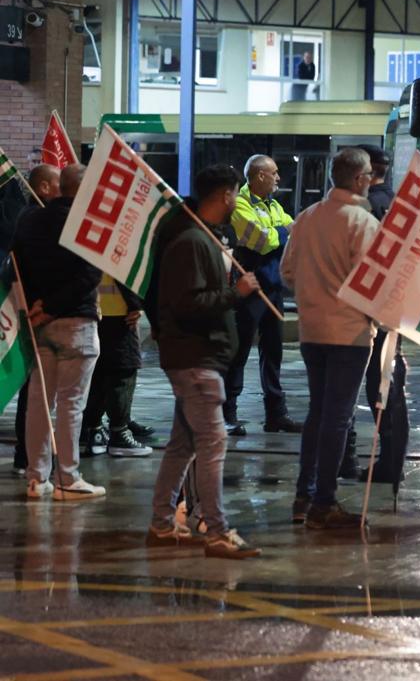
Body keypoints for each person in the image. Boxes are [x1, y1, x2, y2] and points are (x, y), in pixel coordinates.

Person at [146, 164, 262, 558]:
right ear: (226, 195)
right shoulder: (192, 241)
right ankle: (217, 532)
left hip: (198, 355)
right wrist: (236, 293)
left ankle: (161, 524)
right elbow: (189, 303)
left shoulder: (199, 236)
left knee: (183, 445)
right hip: (197, 357)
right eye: (235, 194)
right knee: (213, 442)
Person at [282, 148, 380, 529]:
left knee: (317, 413)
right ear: (358, 180)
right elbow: (371, 282)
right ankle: (325, 500)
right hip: (349, 331)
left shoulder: (306, 218)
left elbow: (287, 271)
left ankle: (304, 494)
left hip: (312, 329)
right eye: (369, 174)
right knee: (338, 417)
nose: (372, 180)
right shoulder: (362, 221)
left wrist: (315, 290)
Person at [13, 164, 105, 500]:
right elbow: (89, 276)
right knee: (71, 404)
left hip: (38, 323)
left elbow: (16, 266)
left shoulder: (29, 220)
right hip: (76, 324)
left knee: (38, 402)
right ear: (81, 190)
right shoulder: (87, 222)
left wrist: (37, 306)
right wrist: (53, 305)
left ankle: (37, 479)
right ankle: (68, 478)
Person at [347, 144, 410, 486]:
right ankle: (391, 461)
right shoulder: (397, 204)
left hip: (365, 314)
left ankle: (386, 464)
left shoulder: (368, 209)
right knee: (387, 386)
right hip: (388, 311)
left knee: (376, 388)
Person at [224, 154, 301, 435]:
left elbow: (294, 230)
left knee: (273, 352)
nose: (279, 178)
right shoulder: (240, 204)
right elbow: (262, 241)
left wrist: (278, 232)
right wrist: (282, 231)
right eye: (275, 173)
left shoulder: (272, 204)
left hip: (272, 288)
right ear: (259, 176)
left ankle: (276, 414)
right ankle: (227, 414)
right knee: (239, 351)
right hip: (249, 289)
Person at [8, 164, 61, 477]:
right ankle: (29, 455)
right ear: (43, 188)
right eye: (57, 184)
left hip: (33, 312)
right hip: (35, 316)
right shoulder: (33, 222)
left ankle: (26, 454)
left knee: (36, 389)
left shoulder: (30, 219)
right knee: (37, 389)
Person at [79, 275, 153, 458]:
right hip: (119, 311)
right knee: (123, 372)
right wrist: (136, 303)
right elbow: (123, 269)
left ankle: (93, 429)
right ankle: (119, 432)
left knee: (97, 374)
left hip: (91, 309)